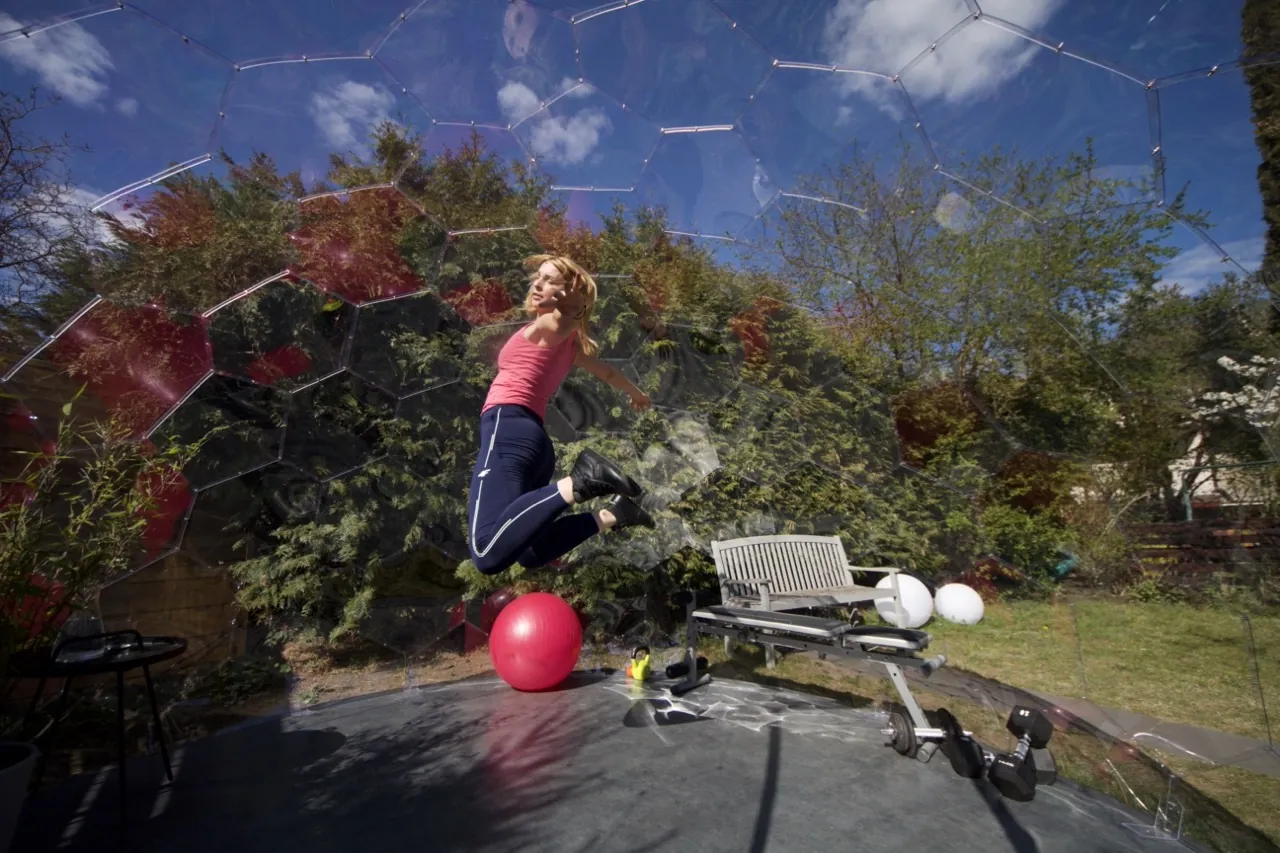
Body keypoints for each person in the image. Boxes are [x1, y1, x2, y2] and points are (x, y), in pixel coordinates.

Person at [467, 253, 655, 576]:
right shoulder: (568, 347)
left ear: (570, 292)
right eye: (537, 277)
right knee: (527, 550)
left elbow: (567, 313)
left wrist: (575, 295)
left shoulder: (550, 325)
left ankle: (584, 478)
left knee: (485, 549)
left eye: (549, 279)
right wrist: (637, 394)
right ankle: (614, 515)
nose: (536, 284)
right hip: (534, 443)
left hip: (507, 427)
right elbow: (607, 373)